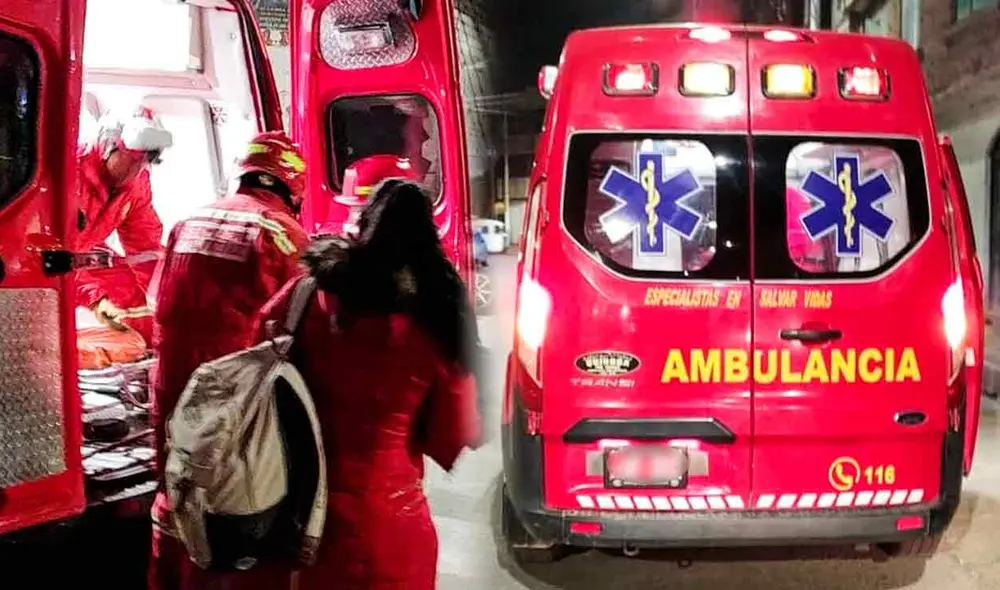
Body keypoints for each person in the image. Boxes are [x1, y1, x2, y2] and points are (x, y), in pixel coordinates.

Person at [248, 180, 482, 590]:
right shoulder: (435, 317)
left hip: (300, 519)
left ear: (363, 224)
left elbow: (257, 354)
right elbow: (452, 435)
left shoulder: (305, 293)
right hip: (390, 526)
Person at [146, 130, 310, 590]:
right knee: (227, 515)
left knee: (173, 498)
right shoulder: (282, 234)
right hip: (233, 405)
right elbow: (298, 330)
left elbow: (156, 303)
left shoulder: (186, 222)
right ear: (291, 185)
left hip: (172, 389)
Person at [76, 105, 173, 341]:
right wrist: (96, 299)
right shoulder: (70, 174)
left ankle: (156, 348)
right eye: (132, 160)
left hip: (84, 251)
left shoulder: (137, 185)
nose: (136, 169)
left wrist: (163, 296)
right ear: (108, 146)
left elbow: (145, 247)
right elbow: (50, 253)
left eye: (145, 161)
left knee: (137, 297)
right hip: (45, 255)